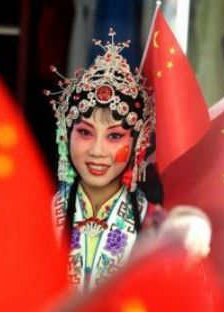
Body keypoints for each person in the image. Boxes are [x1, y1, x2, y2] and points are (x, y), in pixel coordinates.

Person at [47, 29, 165, 292]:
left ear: (138, 143)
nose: (97, 151)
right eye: (86, 132)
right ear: (66, 135)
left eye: (114, 136)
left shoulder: (155, 225)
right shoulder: (39, 217)